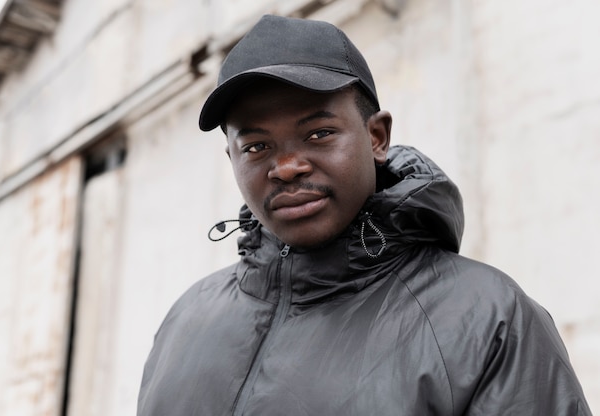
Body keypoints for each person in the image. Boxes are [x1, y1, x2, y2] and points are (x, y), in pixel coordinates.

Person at [137, 14, 591, 415]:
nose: (287, 167)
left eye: (318, 133)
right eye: (256, 146)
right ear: (231, 159)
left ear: (376, 137)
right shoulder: (187, 318)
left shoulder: (488, 319)